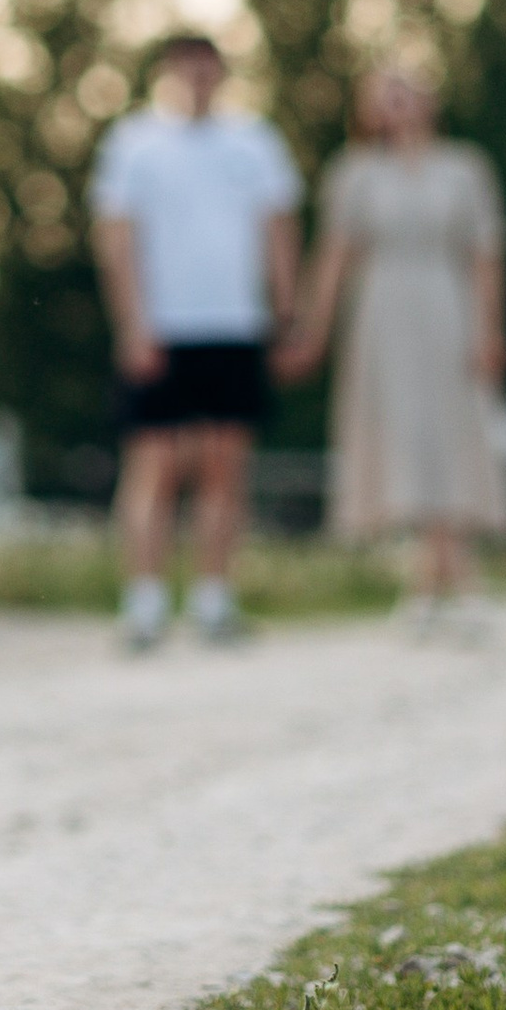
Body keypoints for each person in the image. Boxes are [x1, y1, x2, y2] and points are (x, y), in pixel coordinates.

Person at [89, 33, 304, 648]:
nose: (196, 81)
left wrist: (286, 319)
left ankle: (214, 601)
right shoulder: (134, 144)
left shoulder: (255, 144)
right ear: (166, 75)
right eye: (185, 70)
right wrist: (133, 324)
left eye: (207, 70)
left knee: (224, 468)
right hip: (162, 327)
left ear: (223, 74)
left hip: (235, 324)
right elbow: (117, 238)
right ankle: (145, 603)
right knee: (153, 466)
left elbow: (279, 232)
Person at [291, 64, 506, 623]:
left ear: (428, 101)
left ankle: (442, 588)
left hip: (447, 308)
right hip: (383, 320)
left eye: (405, 94)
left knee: (452, 436)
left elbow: (486, 257)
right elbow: (334, 260)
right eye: (384, 97)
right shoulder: (355, 174)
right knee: (403, 441)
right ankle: (443, 587)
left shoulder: (465, 168)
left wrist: (490, 330)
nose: (397, 106)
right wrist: (312, 331)